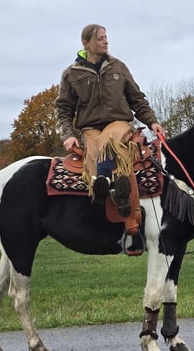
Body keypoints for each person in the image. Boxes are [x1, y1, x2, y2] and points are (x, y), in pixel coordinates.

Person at [55, 24, 165, 216]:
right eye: (100, 38)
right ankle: (114, 193)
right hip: (89, 127)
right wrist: (68, 135)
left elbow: (136, 99)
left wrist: (152, 122)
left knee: (110, 139)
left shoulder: (118, 67)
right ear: (85, 43)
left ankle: (103, 181)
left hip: (119, 122)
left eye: (106, 37)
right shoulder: (71, 74)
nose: (105, 41)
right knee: (92, 147)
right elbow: (63, 109)